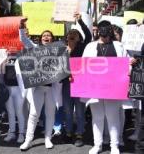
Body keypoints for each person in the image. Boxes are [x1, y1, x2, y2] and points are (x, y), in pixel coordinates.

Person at [18, 18, 63, 151]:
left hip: (51, 89)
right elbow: (24, 40)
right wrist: (21, 27)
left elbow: (63, 67)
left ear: (52, 39)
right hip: (37, 88)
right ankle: (28, 140)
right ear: (41, 39)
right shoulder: (35, 48)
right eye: (44, 35)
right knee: (34, 114)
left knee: (50, 114)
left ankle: (48, 138)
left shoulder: (58, 51)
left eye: (49, 35)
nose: (46, 37)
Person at [82, 20, 125, 154]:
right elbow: (83, 64)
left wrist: (130, 64)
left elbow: (125, 63)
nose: (104, 33)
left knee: (113, 117)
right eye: (102, 30)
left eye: (107, 30)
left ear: (111, 31)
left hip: (113, 87)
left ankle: (114, 145)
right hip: (95, 88)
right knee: (97, 117)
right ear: (98, 31)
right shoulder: (90, 46)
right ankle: (97, 145)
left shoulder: (119, 45)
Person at [62, 13, 92, 147]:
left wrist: (79, 21)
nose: (73, 35)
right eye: (70, 34)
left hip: (80, 84)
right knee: (68, 111)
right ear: (67, 37)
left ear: (79, 38)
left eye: (76, 34)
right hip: (66, 85)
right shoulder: (62, 50)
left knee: (80, 111)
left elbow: (89, 35)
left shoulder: (82, 48)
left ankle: (79, 133)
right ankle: (68, 132)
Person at [3, 53, 26, 144]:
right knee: (10, 112)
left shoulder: (21, 55)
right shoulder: (3, 55)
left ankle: (21, 133)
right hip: (7, 87)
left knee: (19, 111)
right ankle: (12, 132)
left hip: (19, 88)